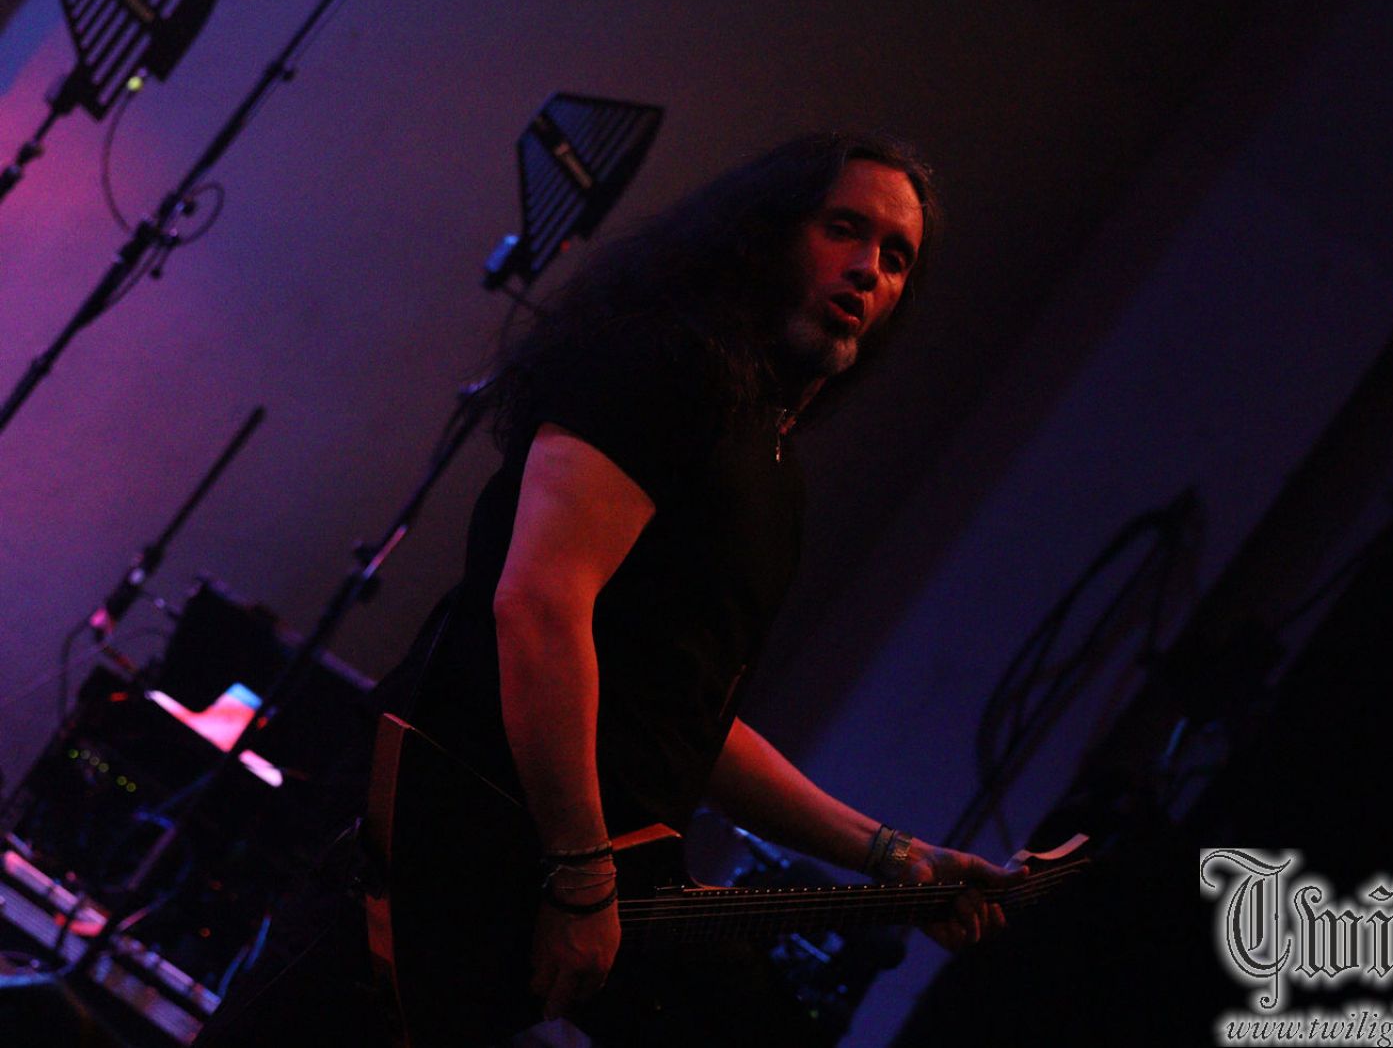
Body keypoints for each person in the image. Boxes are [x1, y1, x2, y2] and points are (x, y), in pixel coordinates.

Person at [200, 133, 1018, 1047]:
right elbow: (539, 605)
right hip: (440, 876)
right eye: (844, 229)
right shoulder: (666, 365)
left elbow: (681, 723)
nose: (869, 268)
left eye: (897, 257)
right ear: (769, 230)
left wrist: (895, 856)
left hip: (523, 900)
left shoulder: (770, 458)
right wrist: (584, 874)